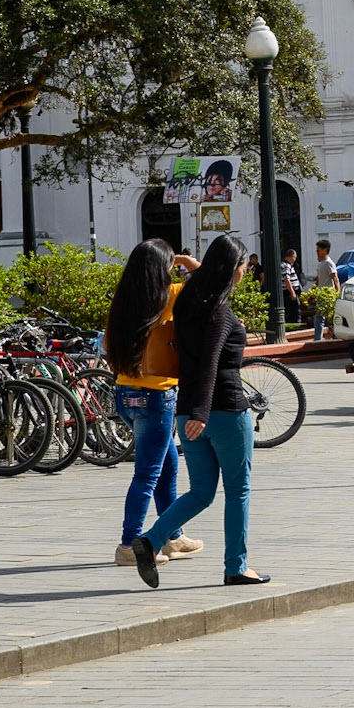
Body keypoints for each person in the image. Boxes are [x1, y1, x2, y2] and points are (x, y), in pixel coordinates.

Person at [129, 233, 269, 588]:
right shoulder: (219, 311)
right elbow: (209, 363)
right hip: (221, 410)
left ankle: (151, 539)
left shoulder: (189, 299)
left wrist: (194, 413)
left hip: (186, 408)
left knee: (202, 491)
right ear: (233, 268)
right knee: (238, 490)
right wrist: (203, 413)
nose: (244, 273)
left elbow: (206, 276)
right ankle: (236, 567)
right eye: (242, 266)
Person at [103, 239, 205, 570]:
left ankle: (172, 536)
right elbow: (210, 285)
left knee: (168, 464)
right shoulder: (168, 297)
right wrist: (187, 261)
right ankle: (128, 545)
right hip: (156, 396)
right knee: (147, 473)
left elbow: (106, 345)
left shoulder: (122, 303)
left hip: (126, 394)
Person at [310, 238, 339, 341]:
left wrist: (337, 293)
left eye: (318, 250)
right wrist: (313, 291)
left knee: (320, 318)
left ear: (325, 250)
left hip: (328, 296)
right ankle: (329, 337)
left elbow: (335, 279)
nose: (317, 252)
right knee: (325, 319)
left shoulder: (328, 263)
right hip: (321, 295)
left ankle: (318, 339)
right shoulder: (321, 263)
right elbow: (319, 280)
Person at [280, 248, 302, 324]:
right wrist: (292, 292)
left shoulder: (285, 265)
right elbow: (286, 279)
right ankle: (296, 323)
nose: (295, 260)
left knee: (292, 309)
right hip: (289, 291)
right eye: (294, 258)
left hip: (289, 291)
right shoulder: (287, 265)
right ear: (292, 256)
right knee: (295, 309)